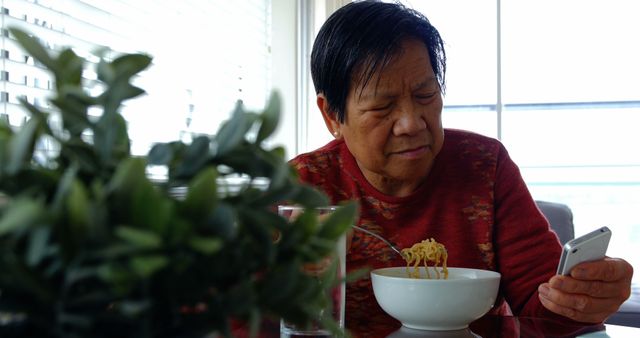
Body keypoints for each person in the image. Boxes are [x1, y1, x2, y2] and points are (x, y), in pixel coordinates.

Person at [289, 1, 634, 336]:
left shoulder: (484, 164)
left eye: (425, 96)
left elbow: (540, 304)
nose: (411, 123)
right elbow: (247, 315)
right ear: (332, 115)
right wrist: (289, 271)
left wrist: (582, 297)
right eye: (382, 106)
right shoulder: (301, 184)